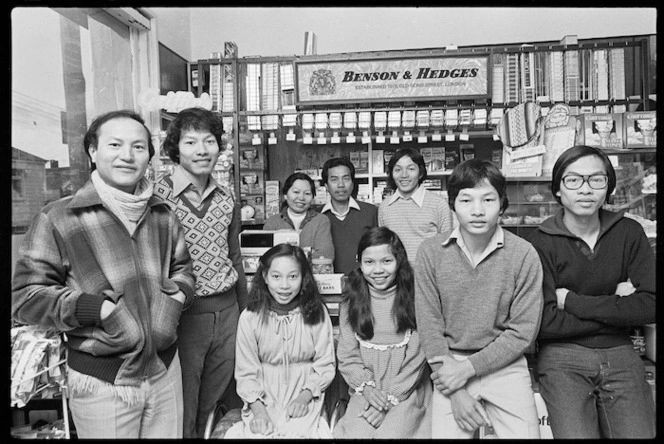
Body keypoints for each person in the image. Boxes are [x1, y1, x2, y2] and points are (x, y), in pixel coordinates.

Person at [11, 110, 196, 439]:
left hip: (165, 368)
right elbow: (26, 297)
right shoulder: (59, 217)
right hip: (102, 379)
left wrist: (176, 298)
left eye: (138, 147)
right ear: (93, 152)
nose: (127, 155)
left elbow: (182, 269)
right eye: (115, 144)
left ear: (149, 158)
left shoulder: (162, 214)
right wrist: (97, 309)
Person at [527, 145, 656, 439]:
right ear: (558, 189)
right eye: (573, 180)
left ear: (608, 186)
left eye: (596, 180)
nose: (585, 189)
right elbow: (544, 323)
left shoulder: (628, 232)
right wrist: (619, 307)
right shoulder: (541, 243)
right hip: (561, 358)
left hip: (621, 352)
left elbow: (650, 304)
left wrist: (570, 301)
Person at [414, 158, 543, 439]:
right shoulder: (430, 252)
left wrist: (469, 369)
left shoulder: (524, 254)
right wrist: (457, 389)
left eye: (488, 199)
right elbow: (429, 325)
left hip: (506, 366)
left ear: (502, 204)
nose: (477, 211)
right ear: (452, 205)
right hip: (448, 365)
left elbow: (523, 332)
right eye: (466, 200)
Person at [153, 107, 248, 438]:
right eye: (191, 142)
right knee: (183, 402)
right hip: (184, 314)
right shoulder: (157, 196)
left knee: (217, 397)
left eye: (209, 141)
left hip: (228, 311)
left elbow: (234, 256)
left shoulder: (227, 197)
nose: (202, 150)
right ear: (175, 147)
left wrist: (245, 312)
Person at [225, 244, 336, 438]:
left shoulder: (317, 313)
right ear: (265, 277)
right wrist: (259, 411)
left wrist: (304, 397)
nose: (284, 285)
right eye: (276, 276)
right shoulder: (250, 317)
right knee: (260, 434)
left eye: (293, 276)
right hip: (263, 397)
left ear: (303, 278)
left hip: (306, 393)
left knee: (298, 434)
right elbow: (246, 373)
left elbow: (325, 365)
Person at [333, 227, 432, 438]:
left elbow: (417, 358)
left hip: (406, 389)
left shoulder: (416, 296)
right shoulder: (351, 300)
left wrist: (387, 401)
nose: (378, 270)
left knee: (391, 434)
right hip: (367, 389)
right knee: (354, 434)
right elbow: (348, 355)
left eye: (386, 261)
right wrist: (368, 391)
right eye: (369, 262)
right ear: (359, 262)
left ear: (399, 261)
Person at [378, 147, 454, 261]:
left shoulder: (438, 204)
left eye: (411, 169)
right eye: (398, 170)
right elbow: (382, 247)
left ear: (420, 173)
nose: (404, 175)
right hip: (395, 276)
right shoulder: (385, 207)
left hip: (428, 275)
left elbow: (448, 248)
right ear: (392, 174)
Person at [321, 157, 378, 274]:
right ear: (326, 186)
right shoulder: (317, 216)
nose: (341, 185)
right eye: (334, 179)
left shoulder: (370, 212)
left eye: (346, 179)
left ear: (352, 183)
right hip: (327, 284)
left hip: (364, 282)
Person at [263, 172, 334, 261]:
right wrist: (308, 253)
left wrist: (283, 256)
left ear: (313, 197)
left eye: (307, 193)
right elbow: (266, 257)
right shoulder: (273, 222)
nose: (301, 197)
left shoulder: (321, 221)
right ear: (285, 194)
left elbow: (325, 255)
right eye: (296, 192)